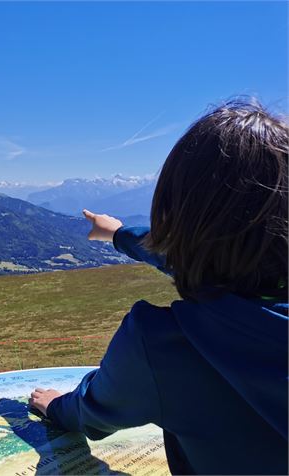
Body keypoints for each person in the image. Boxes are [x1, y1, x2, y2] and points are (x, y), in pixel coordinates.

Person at [29, 99, 288, 475]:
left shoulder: (164, 346)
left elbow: (94, 412)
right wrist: (119, 234)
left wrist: (56, 406)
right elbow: (222, 264)